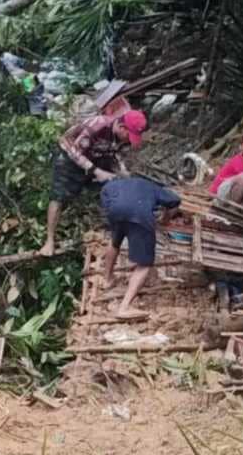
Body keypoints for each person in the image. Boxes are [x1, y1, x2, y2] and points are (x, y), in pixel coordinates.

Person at [41, 107, 148, 256]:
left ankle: (113, 229)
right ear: (122, 127)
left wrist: (122, 171)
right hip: (70, 156)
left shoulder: (119, 135)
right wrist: (96, 171)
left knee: (114, 187)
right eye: (129, 135)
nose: (129, 140)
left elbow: (114, 153)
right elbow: (74, 151)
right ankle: (49, 240)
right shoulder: (98, 125)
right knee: (59, 197)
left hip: (95, 155)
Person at [100, 174, 182, 320]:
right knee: (145, 264)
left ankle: (107, 279)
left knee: (115, 241)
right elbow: (175, 201)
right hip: (139, 214)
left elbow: (105, 201)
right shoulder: (150, 185)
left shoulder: (112, 185)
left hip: (115, 211)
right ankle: (124, 308)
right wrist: (165, 218)